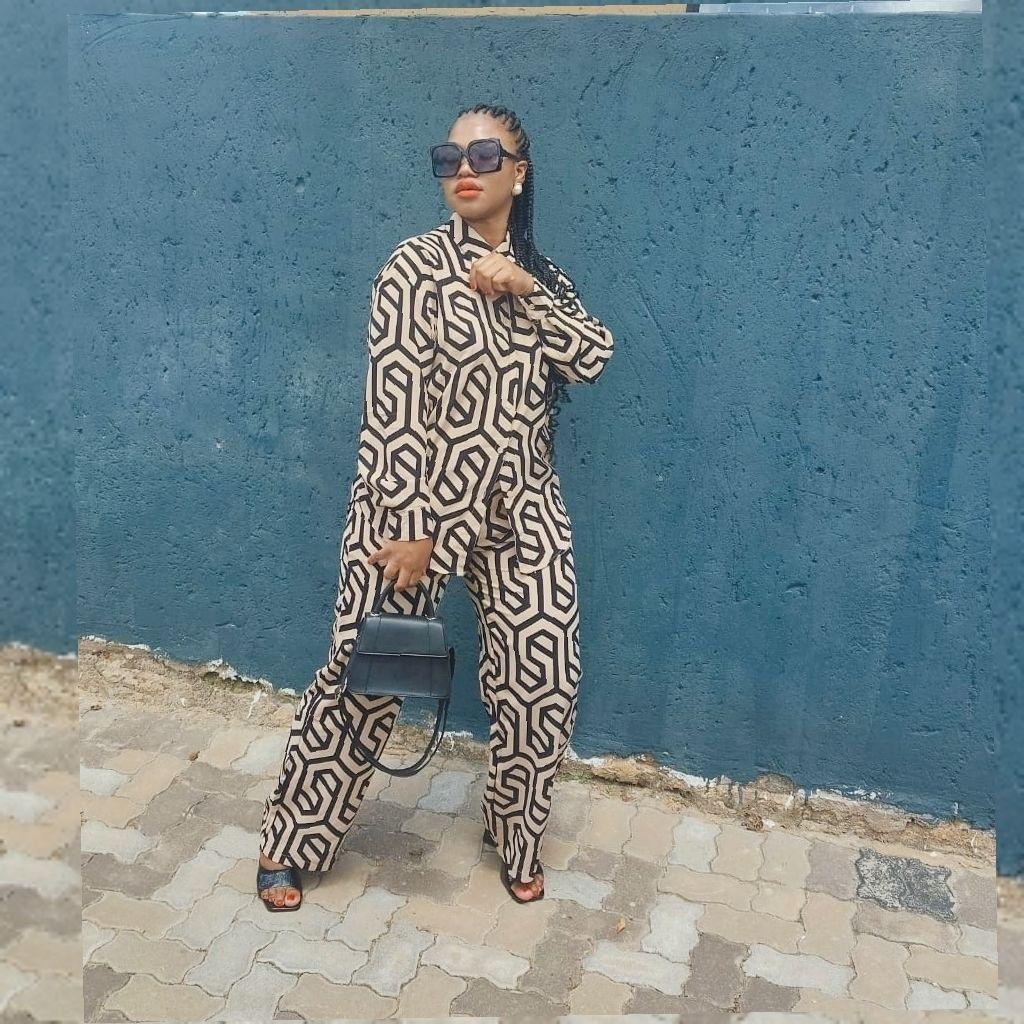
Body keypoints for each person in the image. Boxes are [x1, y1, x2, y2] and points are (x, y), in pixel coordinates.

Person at [256, 102, 615, 911]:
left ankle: (513, 832)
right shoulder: (413, 268)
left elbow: (593, 356)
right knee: (365, 678)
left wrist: (526, 290)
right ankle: (291, 839)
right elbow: (393, 410)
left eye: (484, 156)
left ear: (519, 173)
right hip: (414, 508)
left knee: (543, 678)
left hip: (523, 508)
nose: (464, 171)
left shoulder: (545, 277)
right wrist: (412, 526)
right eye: (449, 158)